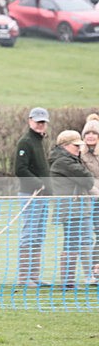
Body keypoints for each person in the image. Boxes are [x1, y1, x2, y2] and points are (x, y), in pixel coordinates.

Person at [48, 130, 98, 290]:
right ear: (65, 145)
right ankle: (68, 282)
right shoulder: (64, 162)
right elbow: (88, 179)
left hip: (76, 208)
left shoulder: (68, 159)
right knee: (72, 243)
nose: (79, 149)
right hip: (72, 209)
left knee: (75, 243)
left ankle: (71, 281)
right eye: (75, 145)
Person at [14, 107, 53, 287]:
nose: (40, 125)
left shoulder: (39, 141)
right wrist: (39, 184)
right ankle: (24, 277)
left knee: (38, 235)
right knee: (29, 235)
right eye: (37, 121)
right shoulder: (26, 142)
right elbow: (20, 169)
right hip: (31, 194)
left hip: (42, 196)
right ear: (30, 121)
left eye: (43, 122)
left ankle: (34, 276)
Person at [79, 114, 99, 283]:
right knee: (90, 235)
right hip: (89, 199)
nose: (90, 136)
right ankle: (93, 270)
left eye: (94, 133)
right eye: (87, 134)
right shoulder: (80, 154)